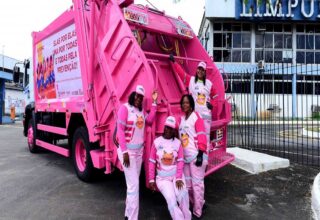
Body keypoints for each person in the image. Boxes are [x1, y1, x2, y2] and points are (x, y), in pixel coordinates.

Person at [117, 85, 158, 220]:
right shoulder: (125, 108)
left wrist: (154, 103)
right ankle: (133, 218)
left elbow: (150, 121)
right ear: (133, 95)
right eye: (137, 95)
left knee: (132, 186)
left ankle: (128, 215)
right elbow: (120, 131)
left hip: (139, 153)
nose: (139, 98)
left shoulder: (141, 112)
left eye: (141, 97)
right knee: (134, 186)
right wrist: (124, 152)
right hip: (127, 152)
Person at [149, 116, 191, 220]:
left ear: (174, 131)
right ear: (164, 127)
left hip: (177, 176)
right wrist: (151, 179)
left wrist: (179, 178)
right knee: (171, 201)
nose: (168, 130)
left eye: (171, 128)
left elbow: (180, 161)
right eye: (167, 127)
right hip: (162, 179)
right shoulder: (157, 142)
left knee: (183, 195)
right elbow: (152, 161)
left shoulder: (177, 143)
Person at [169, 55, 216, 147]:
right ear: (196, 69)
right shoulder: (191, 81)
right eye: (199, 69)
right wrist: (174, 62)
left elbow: (215, 96)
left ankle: (204, 161)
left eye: (202, 70)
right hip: (194, 116)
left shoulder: (209, 84)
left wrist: (212, 105)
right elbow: (181, 73)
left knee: (205, 139)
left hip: (206, 117)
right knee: (194, 138)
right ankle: (196, 158)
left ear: (205, 72)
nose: (200, 71)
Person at [179, 94, 207, 218]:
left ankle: (197, 211)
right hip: (185, 159)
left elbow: (202, 135)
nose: (185, 105)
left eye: (187, 103)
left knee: (197, 185)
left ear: (191, 104)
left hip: (196, 156)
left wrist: (201, 154)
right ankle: (198, 202)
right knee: (188, 186)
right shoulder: (182, 119)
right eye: (183, 103)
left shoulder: (197, 117)